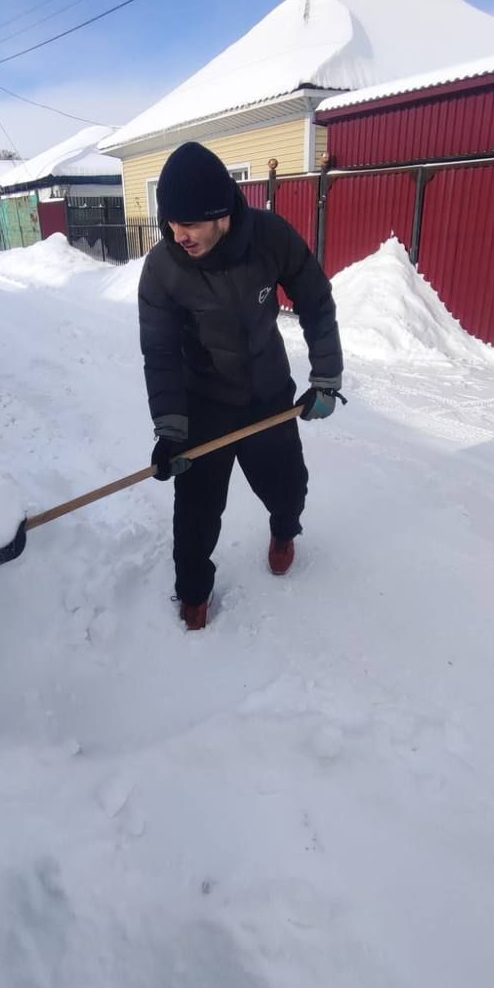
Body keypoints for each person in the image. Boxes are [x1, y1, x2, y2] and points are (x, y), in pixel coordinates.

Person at [138, 142, 344, 631]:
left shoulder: (270, 238)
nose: (177, 235)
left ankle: (283, 531)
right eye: (170, 223)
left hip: (268, 396)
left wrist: (326, 378)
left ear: (220, 213)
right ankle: (192, 595)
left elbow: (315, 299)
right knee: (195, 518)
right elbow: (161, 354)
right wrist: (170, 431)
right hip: (203, 405)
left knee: (289, 488)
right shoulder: (163, 268)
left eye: (188, 223)